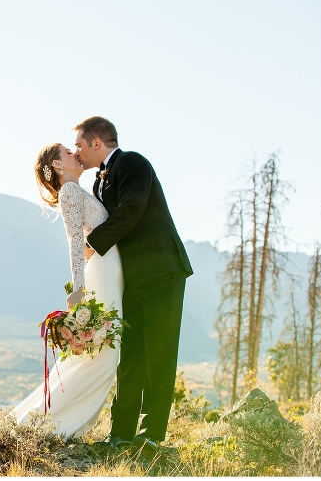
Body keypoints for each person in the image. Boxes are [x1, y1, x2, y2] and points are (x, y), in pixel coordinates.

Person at [74, 116, 193, 452]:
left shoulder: (134, 163)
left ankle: (153, 433)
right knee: (131, 356)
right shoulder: (98, 182)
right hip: (131, 279)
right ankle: (121, 433)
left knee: (159, 353)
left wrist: (90, 245)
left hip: (162, 271)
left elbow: (132, 211)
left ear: (97, 143)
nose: (77, 151)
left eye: (81, 145)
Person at [12, 143, 124, 438]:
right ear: (58, 166)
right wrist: (79, 289)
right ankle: (49, 426)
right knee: (104, 354)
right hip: (101, 273)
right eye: (67, 151)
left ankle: (46, 422)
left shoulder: (78, 189)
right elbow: (75, 240)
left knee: (98, 353)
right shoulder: (70, 192)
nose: (75, 153)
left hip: (109, 270)